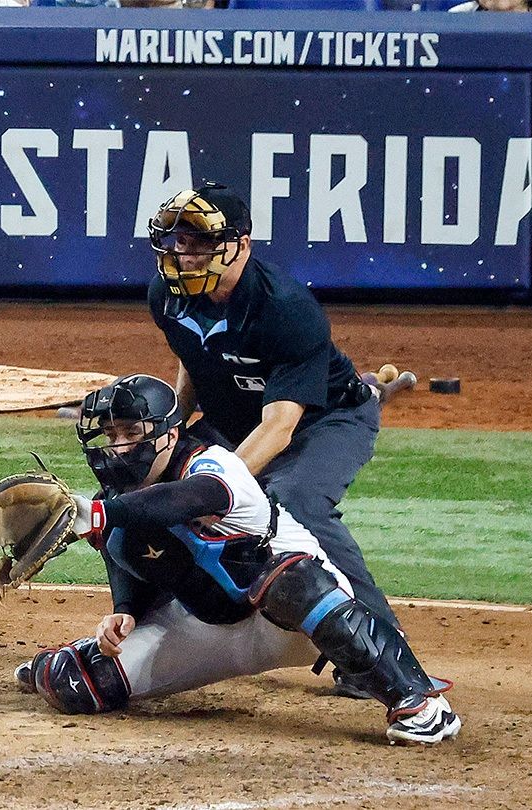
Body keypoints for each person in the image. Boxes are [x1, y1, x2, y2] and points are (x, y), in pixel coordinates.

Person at [13, 374, 460, 745]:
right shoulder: (112, 506)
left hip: (297, 617)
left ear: (170, 434)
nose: (118, 447)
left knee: (290, 577)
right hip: (209, 630)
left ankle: (420, 702)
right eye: (110, 436)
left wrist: (99, 513)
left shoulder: (213, 465)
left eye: (132, 433)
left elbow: (185, 500)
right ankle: (87, 664)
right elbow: (126, 558)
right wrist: (125, 611)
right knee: (73, 683)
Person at [143, 182, 407, 698]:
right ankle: (145, 623)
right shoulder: (167, 294)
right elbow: (195, 358)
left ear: (241, 244)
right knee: (149, 481)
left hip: (325, 422)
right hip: (238, 419)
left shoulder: (286, 309)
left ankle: (380, 649)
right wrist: (174, 431)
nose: (183, 253)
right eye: (176, 241)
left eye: (197, 242)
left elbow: (280, 427)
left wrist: (216, 489)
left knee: (295, 501)